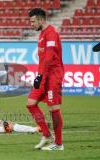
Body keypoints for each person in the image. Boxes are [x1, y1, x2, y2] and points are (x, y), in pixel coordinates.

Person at [26, 8, 64, 150]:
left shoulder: (51, 33)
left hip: (53, 75)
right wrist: (40, 75)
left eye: (33, 21)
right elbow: (43, 59)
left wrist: (40, 75)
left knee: (54, 109)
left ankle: (59, 144)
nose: (31, 24)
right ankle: (47, 135)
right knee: (31, 104)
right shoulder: (42, 34)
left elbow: (48, 57)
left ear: (41, 20)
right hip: (43, 75)